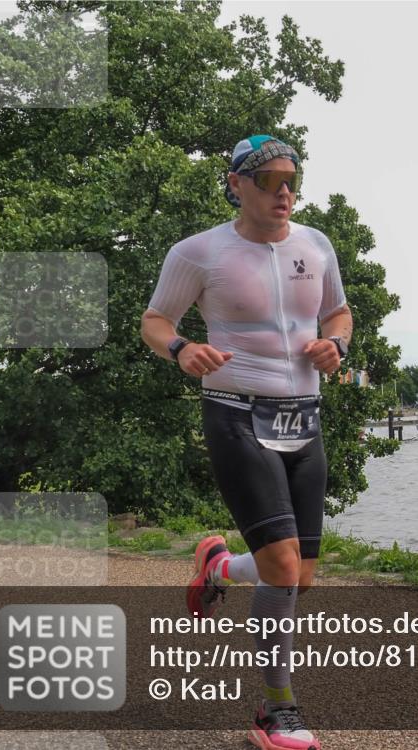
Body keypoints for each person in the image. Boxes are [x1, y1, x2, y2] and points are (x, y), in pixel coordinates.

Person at [141, 135, 353, 750]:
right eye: (269, 180)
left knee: (300, 576)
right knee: (282, 567)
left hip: (304, 418)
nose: (284, 191)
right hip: (237, 413)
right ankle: (275, 708)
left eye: (292, 178)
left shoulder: (316, 246)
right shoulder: (199, 252)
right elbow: (155, 321)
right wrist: (182, 350)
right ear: (237, 184)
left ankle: (218, 566)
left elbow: (340, 313)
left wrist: (335, 346)